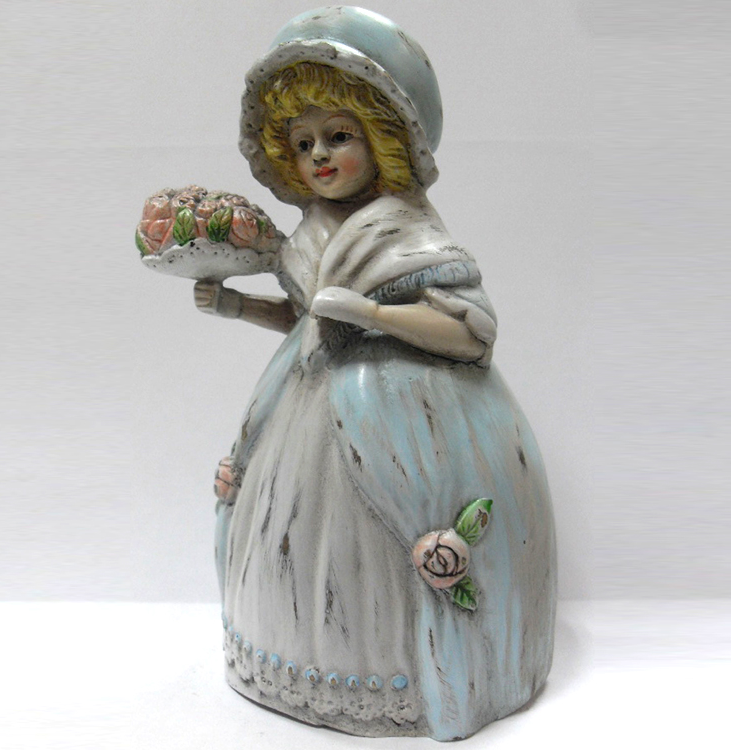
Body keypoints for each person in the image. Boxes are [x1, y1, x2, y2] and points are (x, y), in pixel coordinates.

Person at [195, 8, 556, 741]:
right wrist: (237, 305)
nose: (320, 156)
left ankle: (414, 675)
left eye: (339, 135)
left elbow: (471, 335)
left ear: (381, 139)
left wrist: (374, 315)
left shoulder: (411, 235)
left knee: (384, 549)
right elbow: (306, 320)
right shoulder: (308, 238)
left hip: (407, 420)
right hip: (303, 407)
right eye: (303, 143)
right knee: (297, 540)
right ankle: (294, 659)